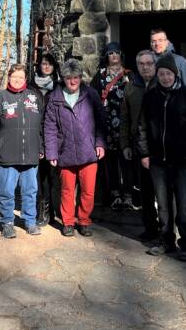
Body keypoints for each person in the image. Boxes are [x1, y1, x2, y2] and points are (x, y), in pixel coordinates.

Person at [138, 54, 186, 262]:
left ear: (175, 74)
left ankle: (185, 244)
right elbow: (142, 126)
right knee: (163, 204)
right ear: (157, 75)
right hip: (158, 160)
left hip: (184, 160)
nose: (165, 78)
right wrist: (144, 153)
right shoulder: (151, 97)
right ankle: (166, 240)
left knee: (184, 205)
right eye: (162, 74)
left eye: (168, 74)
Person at [43, 58, 106, 237]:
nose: (73, 81)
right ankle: (68, 222)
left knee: (88, 191)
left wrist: (100, 143)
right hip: (65, 151)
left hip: (89, 151)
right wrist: (52, 152)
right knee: (67, 190)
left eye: (76, 77)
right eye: (69, 77)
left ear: (80, 78)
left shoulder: (91, 94)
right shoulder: (55, 98)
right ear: (63, 78)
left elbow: (101, 121)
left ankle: (84, 221)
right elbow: (49, 126)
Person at [0, 64, 45, 238]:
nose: (17, 80)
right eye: (14, 77)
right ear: (9, 77)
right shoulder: (0, 99)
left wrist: (41, 147)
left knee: (30, 190)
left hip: (31, 155)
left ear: (25, 79)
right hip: (7, 156)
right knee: (6, 191)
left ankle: (30, 221)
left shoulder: (34, 97)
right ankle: (7, 222)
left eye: (21, 77)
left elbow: (41, 125)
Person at [120, 49, 160, 241]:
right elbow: (125, 118)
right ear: (137, 66)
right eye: (141, 64)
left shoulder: (162, 83)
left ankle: (168, 229)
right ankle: (150, 227)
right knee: (146, 191)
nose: (145, 67)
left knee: (164, 191)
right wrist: (125, 144)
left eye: (149, 63)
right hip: (139, 146)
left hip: (161, 147)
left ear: (155, 64)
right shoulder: (131, 88)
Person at [90, 41, 132, 210]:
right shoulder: (99, 76)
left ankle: (128, 196)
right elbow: (92, 98)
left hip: (125, 123)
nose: (114, 56)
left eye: (116, 53)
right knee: (110, 162)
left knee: (127, 160)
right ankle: (114, 194)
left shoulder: (129, 75)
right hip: (106, 124)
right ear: (106, 57)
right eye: (110, 53)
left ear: (121, 55)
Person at [33, 53, 60, 226]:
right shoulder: (30, 86)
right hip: (35, 136)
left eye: (50, 63)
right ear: (39, 65)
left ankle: (53, 210)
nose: (47, 66)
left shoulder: (59, 87)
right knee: (39, 176)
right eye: (44, 63)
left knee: (54, 177)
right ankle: (41, 211)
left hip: (55, 136)